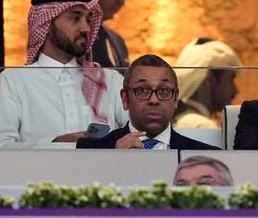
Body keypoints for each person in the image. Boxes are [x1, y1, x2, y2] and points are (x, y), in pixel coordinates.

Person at [0, 0, 128, 148]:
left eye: (88, 20)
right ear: (46, 24)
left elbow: (140, 132)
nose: (86, 28)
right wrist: (55, 145)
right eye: (75, 18)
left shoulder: (109, 79)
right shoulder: (13, 81)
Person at [77, 54, 219, 150]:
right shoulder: (91, 151)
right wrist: (114, 161)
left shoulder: (205, 155)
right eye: (143, 91)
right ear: (125, 99)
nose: (154, 100)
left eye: (163, 91)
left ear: (175, 99)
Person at [172, 38, 241, 129]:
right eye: (230, 79)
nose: (235, 91)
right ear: (210, 79)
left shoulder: (178, 119)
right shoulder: (201, 126)